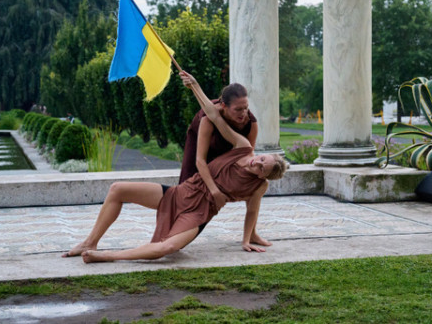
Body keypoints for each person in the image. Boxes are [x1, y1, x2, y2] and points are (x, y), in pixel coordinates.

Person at [62, 71, 288, 263]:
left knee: (168, 248)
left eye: (261, 168)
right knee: (117, 189)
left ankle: (105, 256)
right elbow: (213, 117)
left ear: (264, 176)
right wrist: (195, 85)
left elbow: (252, 209)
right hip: (183, 193)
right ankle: (89, 242)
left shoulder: (258, 182)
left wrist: (247, 239)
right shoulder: (243, 146)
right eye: (260, 159)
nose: (256, 163)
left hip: (200, 211)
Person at [179, 81, 258, 210]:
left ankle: (252, 230)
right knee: (186, 190)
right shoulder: (208, 119)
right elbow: (200, 160)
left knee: (254, 183)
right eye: (238, 109)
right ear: (223, 106)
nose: (243, 113)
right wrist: (214, 190)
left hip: (227, 148)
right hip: (202, 141)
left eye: (246, 108)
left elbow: (248, 156)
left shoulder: (251, 123)